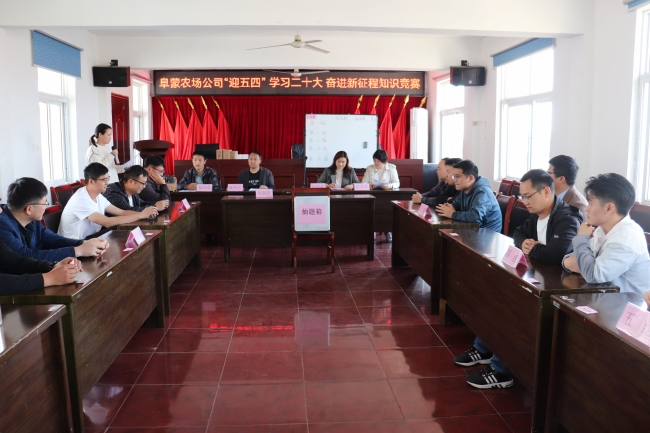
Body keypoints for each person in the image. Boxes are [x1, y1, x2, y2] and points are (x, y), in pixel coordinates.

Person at [454, 169, 583, 390]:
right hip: (539, 279)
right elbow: (517, 233)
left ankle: (501, 371)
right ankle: (483, 349)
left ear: (546, 191)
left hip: (559, 290)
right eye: (522, 196)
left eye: (528, 196)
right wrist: (525, 243)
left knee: (510, 307)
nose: (525, 202)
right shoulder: (538, 214)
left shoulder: (567, 217)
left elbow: (557, 253)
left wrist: (533, 249)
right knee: (491, 293)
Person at [562, 173, 650, 296]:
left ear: (609, 208)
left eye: (590, 202)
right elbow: (576, 258)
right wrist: (565, 262)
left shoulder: (627, 238)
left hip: (625, 305)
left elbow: (592, 275)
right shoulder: (602, 229)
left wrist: (581, 237)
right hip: (603, 298)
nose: (586, 208)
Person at [0, 178, 108, 261]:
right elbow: (25, 257)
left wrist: (85, 243)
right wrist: (78, 251)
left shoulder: (32, 220)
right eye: (45, 203)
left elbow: (54, 239)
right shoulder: (3, 227)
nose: (46, 207)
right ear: (29, 209)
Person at [58, 163, 159, 240]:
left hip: (91, 238)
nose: (107, 183)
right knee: (117, 231)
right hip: (74, 243)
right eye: (104, 180)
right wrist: (140, 215)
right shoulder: (81, 199)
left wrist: (144, 214)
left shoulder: (98, 196)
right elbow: (107, 222)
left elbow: (121, 212)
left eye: (107, 179)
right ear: (91, 181)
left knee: (121, 231)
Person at [435, 160, 502, 232]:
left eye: (457, 177)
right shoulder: (465, 190)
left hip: (487, 234)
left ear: (470, 178)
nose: (455, 180)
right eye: (454, 176)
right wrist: (448, 208)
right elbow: (455, 205)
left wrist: (453, 214)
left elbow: (475, 216)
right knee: (441, 232)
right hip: (472, 230)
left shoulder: (482, 192)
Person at [362, 149, 400, 242]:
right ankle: (373, 230)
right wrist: (369, 185)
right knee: (371, 210)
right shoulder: (370, 168)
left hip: (387, 195)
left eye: (378, 161)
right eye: (374, 160)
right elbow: (363, 182)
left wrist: (389, 185)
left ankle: (387, 231)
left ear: (384, 161)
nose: (376, 162)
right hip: (372, 195)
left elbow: (397, 183)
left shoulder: (391, 168)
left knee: (387, 210)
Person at [103, 165, 169, 213]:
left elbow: (142, 203)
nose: (144, 186)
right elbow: (128, 211)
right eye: (143, 183)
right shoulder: (114, 192)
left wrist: (161, 204)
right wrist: (155, 207)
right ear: (131, 182)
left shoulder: (132, 192)